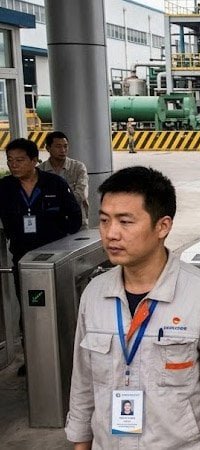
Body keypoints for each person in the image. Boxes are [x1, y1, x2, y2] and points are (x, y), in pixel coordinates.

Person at [66, 166, 200, 448]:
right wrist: (80, 442)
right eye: (104, 221)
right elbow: (82, 384)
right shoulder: (94, 294)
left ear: (162, 226)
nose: (111, 233)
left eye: (125, 222)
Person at [0, 138, 82, 376]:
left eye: (20, 160)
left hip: (55, 261)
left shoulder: (54, 184)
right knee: (30, 310)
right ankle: (34, 358)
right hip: (23, 261)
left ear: (34, 161)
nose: (14, 165)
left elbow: (74, 218)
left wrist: (62, 244)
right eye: (10, 161)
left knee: (59, 308)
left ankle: (64, 356)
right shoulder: (4, 188)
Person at [40, 131, 90, 229]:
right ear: (48, 148)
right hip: (50, 224)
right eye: (58, 146)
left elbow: (81, 194)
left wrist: (55, 203)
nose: (63, 150)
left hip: (78, 223)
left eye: (65, 146)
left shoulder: (78, 167)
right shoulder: (40, 170)